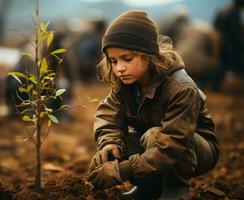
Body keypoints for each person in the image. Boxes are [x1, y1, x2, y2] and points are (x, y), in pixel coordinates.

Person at [87, 10, 220, 199]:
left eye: (127, 58)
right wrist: (109, 144)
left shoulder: (181, 88)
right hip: (158, 143)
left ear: (148, 54)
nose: (119, 68)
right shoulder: (125, 84)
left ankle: (175, 190)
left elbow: (174, 142)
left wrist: (123, 170)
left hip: (195, 149)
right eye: (113, 61)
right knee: (126, 142)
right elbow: (108, 115)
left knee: (154, 136)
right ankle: (148, 189)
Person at [212, 0, 244, 91]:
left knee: (221, 66)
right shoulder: (234, 12)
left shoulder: (223, 10)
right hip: (228, 46)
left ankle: (216, 88)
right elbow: (236, 34)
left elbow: (214, 29)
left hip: (220, 44)